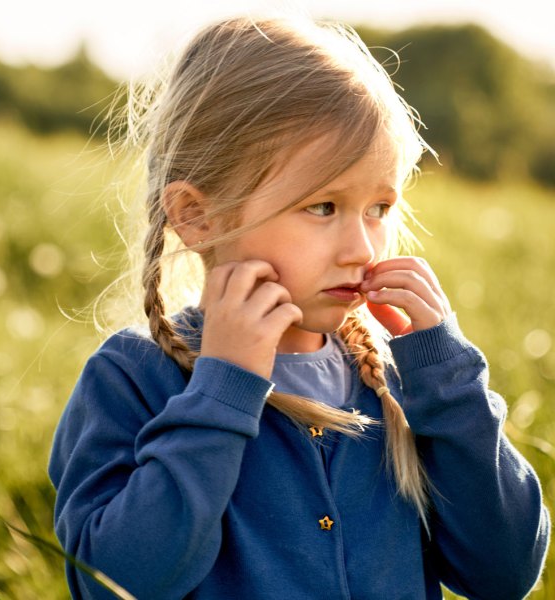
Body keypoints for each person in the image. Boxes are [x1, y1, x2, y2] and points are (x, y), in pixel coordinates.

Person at [48, 15, 550, 599]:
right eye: (323, 207)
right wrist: (223, 391)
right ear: (197, 216)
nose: (361, 248)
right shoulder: (135, 378)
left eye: (380, 208)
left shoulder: (396, 379)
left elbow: (505, 573)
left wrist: (451, 384)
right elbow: (113, 585)